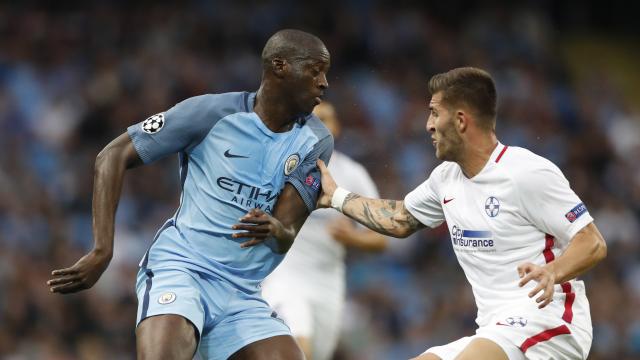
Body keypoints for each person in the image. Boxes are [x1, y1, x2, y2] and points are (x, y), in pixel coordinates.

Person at [47, 29, 333, 360]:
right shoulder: (209, 113)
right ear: (279, 67)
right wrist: (101, 250)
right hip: (183, 269)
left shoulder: (316, 141)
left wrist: (275, 229)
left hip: (242, 294)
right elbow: (112, 156)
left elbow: (286, 233)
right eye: (315, 70)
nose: (324, 82)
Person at [314, 67, 607, 360]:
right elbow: (400, 218)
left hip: (551, 321)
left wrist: (551, 272)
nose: (428, 125)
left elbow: (591, 242)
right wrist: (336, 197)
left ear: (460, 120)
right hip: (496, 329)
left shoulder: (526, 172)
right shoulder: (445, 179)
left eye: (434, 113)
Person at [261, 101, 388, 360]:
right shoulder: (279, 167)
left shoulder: (352, 174)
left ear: (336, 128)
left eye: (326, 120)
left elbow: (381, 238)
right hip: (284, 275)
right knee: (298, 346)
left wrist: (352, 237)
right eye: (311, 120)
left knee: (317, 354)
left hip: (328, 282)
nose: (318, 126)